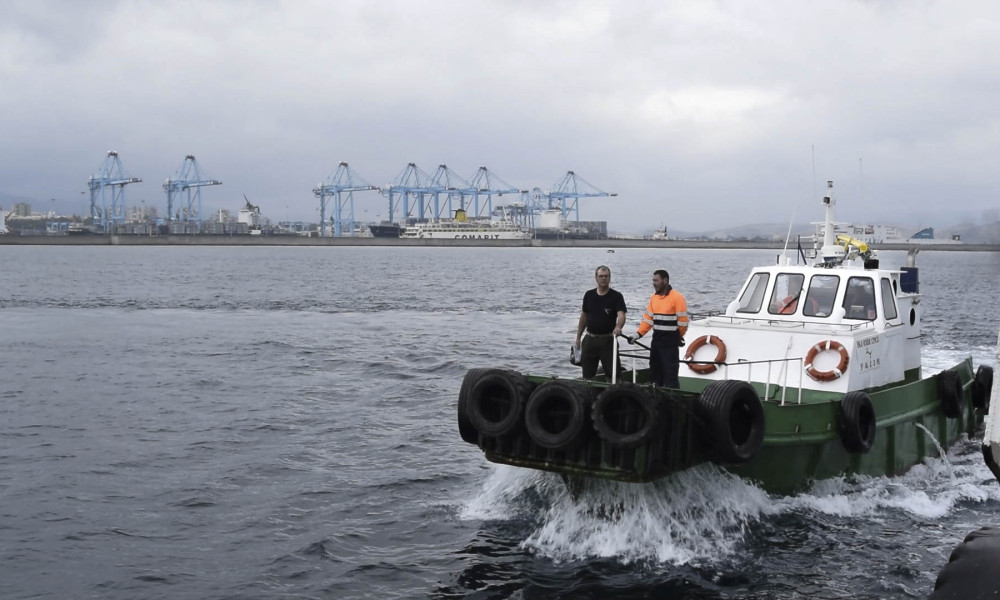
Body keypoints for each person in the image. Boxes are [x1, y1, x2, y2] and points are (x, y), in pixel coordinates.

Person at [628, 269, 688, 388]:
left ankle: (673, 401)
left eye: (656, 280)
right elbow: (648, 320)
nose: (653, 283)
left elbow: (683, 323)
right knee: (655, 375)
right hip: (656, 343)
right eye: (653, 280)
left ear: (665, 281)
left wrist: (677, 337)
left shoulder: (677, 297)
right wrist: (637, 335)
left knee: (670, 376)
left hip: (670, 345)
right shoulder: (654, 298)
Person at [574, 265, 627, 380]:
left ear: (610, 278)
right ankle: (588, 394)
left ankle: (615, 394)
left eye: (606, 276)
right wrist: (578, 337)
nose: (604, 278)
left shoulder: (616, 296)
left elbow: (621, 315)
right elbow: (584, 316)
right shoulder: (589, 295)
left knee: (614, 375)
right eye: (601, 276)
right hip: (590, 339)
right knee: (587, 375)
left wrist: (618, 327)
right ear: (596, 278)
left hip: (608, 340)